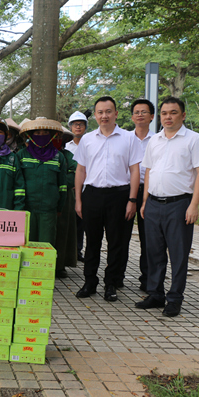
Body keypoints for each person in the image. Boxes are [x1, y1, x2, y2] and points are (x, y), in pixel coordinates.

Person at [135, 97, 199, 317]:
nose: (168, 117)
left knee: (178, 254)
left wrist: (194, 205)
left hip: (179, 204)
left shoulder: (194, 140)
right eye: (164, 113)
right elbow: (149, 170)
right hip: (153, 203)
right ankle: (155, 294)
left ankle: (174, 298)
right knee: (154, 252)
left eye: (173, 113)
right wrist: (145, 201)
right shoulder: (154, 140)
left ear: (183, 115)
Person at [74, 96, 142, 302]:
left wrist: (132, 200)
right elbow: (80, 170)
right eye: (100, 112)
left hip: (119, 196)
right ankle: (89, 282)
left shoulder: (129, 138)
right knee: (92, 242)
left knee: (116, 243)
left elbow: (135, 170)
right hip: (92, 195)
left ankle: (111, 283)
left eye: (108, 111)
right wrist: (78, 200)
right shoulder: (87, 140)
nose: (104, 116)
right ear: (95, 115)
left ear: (116, 114)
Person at [17, 118, 67, 246]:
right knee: (26, 245)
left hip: (49, 210)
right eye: (37, 133)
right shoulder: (21, 155)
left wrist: (59, 207)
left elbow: (62, 186)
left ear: (51, 135)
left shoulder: (59, 157)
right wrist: (19, 207)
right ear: (30, 135)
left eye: (45, 133)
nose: (41, 135)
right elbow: (17, 183)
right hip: (27, 209)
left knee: (46, 247)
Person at [127, 99, 155, 292]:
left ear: (152, 116)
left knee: (148, 238)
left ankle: (147, 280)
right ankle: (117, 277)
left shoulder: (159, 139)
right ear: (132, 117)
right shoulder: (125, 138)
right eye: (136, 112)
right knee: (121, 236)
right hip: (127, 190)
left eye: (144, 112)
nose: (140, 115)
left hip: (150, 190)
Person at [54, 127, 78, 278]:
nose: (57, 141)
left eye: (59, 138)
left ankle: (60, 264)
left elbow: (74, 174)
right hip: (44, 197)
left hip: (65, 198)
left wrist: (58, 183)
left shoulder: (68, 156)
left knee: (63, 230)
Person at [66, 111, 88, 262]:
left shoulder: (90, 144)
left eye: (81, 124)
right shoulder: (67, 146)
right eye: (75, 124)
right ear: (70, 127)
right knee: (69, 221)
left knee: (81, 223)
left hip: (86, 190)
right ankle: (68, 251)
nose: (78, 127)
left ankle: (78, 251)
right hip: (70, 191)